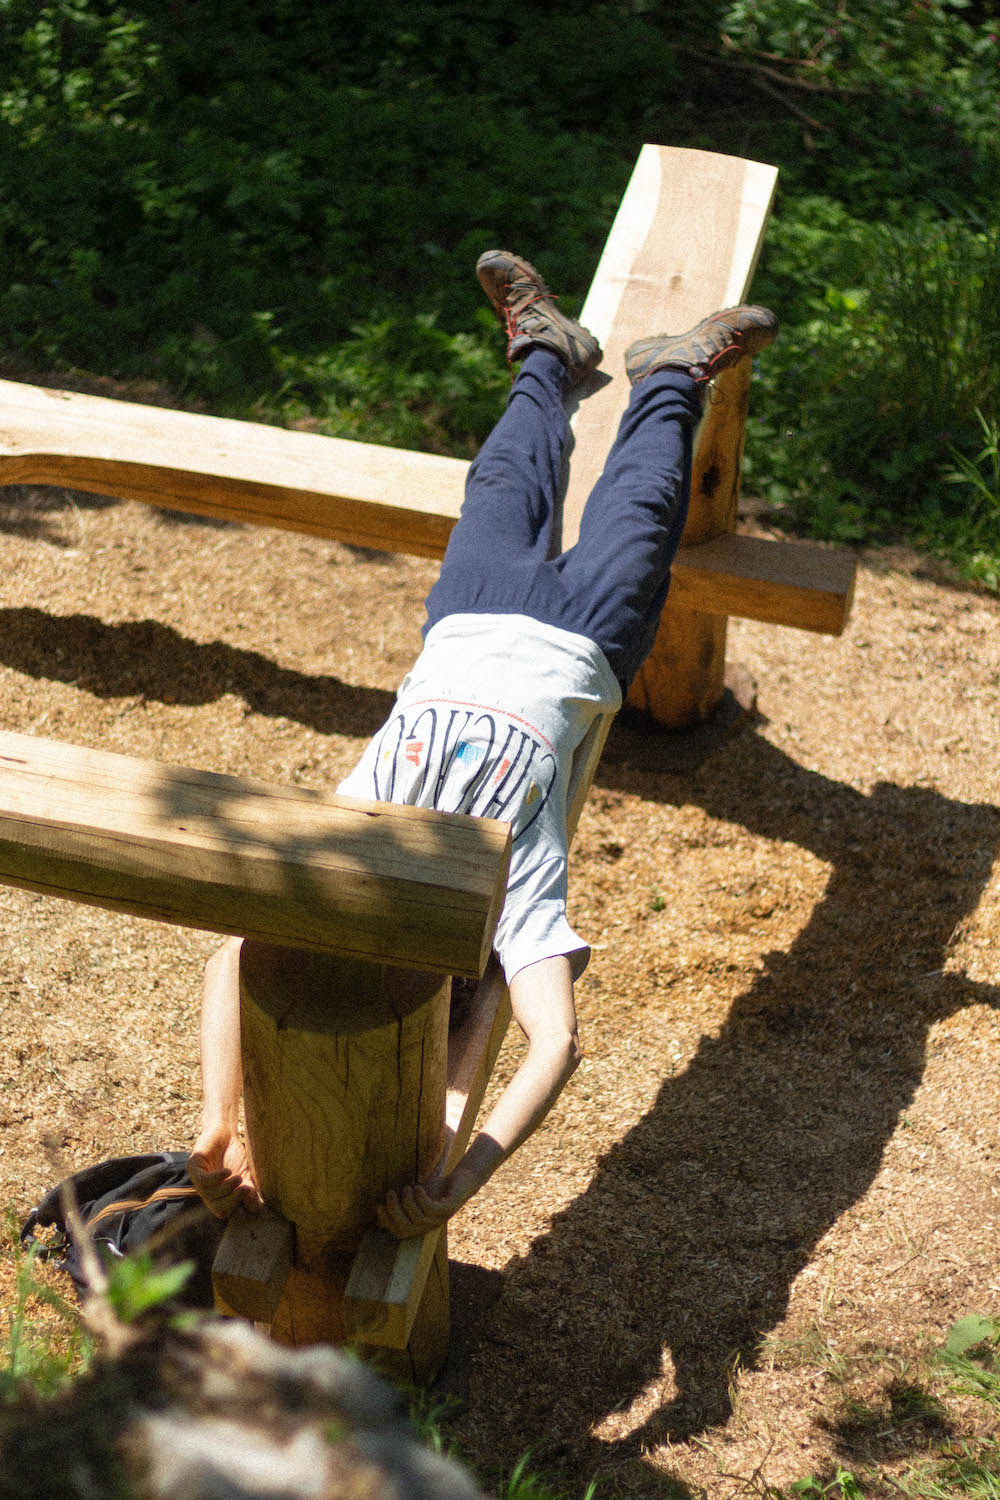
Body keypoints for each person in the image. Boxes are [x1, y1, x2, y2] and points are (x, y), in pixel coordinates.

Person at [188, 252, 777, 1237]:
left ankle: (547, 355)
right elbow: (552, 1046)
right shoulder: (506, 904)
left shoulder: (354, 840)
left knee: (504, 478)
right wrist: (458, 1173)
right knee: (641, 506)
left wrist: (217, 1121)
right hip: (586, 638)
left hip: (466, 617)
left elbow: (233, 957)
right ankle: (673, 373)